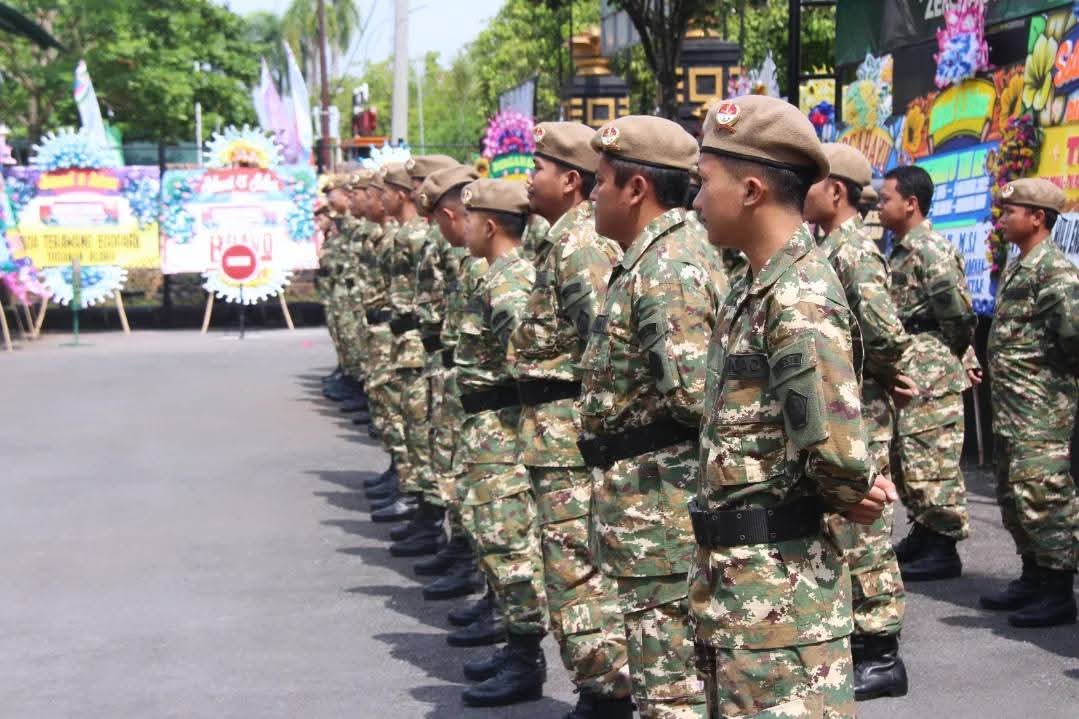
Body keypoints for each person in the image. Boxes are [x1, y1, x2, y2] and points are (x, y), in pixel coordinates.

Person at [690, 96, 890, 718]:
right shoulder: (753, 287)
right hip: (742, 588)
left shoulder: (798, 295)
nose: (696, 200)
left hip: (783, 596)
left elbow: (839, 454)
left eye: (705, 182)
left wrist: (849, 488)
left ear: (751, 191)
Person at [579, 115, 727, 719]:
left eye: (601, 181)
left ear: (636, 188)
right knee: (663, 678)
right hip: (648, 503)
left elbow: (696, 400)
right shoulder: (652, 258)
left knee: (671, 690)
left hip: (663, 509)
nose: (592, 193)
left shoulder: (666, 269)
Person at [508, 121, 633, 719]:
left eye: (538, 168)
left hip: (568, 434)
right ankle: (600, 687)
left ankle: (607, 693)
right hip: (553, 432)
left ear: (570, 180)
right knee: (566, 565)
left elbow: (604, 348)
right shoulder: (565, 238)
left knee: (577, 569)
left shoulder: (581, 245)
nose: (528, 179)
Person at [803, 142, 915, 700]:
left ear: (836, 190)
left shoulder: (854, 251)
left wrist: (888, 375)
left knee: (866, 528)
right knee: (846, 524)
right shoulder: (827, 246)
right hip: (846, 406)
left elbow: (884, 330)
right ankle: (861, 641)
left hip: (862, 409)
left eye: (811, 183)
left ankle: (882, 652)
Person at [454, 179, 549, 707]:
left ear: (490, 225)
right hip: (486, 429)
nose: (462, 227)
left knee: (509, 542)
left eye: (469, 219)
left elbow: (526, 365)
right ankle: (515, 643)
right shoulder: (495, 275)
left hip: (504, 433)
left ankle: (525, 656)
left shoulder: (510, 282)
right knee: (492, 535)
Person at [980, 178, 1078, 628]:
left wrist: (1053, 390)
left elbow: (1073, 336)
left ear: (1038, 218)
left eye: (1010, 212)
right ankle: (1033, 575)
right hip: (1012, 409)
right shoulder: (1021, 264)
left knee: (1044, 496)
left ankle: (1058, 590)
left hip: (1042, 411)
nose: (1002, 220)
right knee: (1014, 494)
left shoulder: (1055, 271)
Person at [879, 165, 977, 581]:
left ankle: (942, 546)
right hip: (912, 363)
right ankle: (924, 531)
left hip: (930, 368)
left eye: (886, 199)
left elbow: (958, 317)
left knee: (931, 456)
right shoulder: (901, 249)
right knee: (909, 457)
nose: (880, 206)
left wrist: (947, 356)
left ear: (911, 203)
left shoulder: (930, 249)